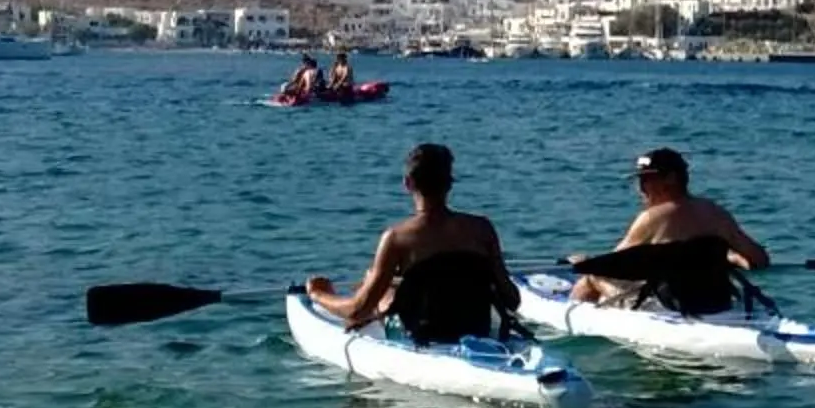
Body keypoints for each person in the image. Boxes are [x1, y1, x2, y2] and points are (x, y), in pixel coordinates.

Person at [307, 143, 521, 343]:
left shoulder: (397, 237)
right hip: (477, 331)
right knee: (388, 285)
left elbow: (356, 310)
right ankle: (375, 286)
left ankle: (372, 294)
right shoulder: (482, 228)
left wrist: (319, 294)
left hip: (423, 337)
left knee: (375, 288)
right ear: (449, 185)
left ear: (408, 184)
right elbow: (512, 299)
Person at [568, 147, 769, 313]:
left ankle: (572, 321)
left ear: (671, 178)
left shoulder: (651, 218)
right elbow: (759, 260)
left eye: (647, 180)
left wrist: (584, 263)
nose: (641, 188)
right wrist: (731, 258)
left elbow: (611, 266)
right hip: (718, 305)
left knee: (591, 277)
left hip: (670, 308)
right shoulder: (716, 213)